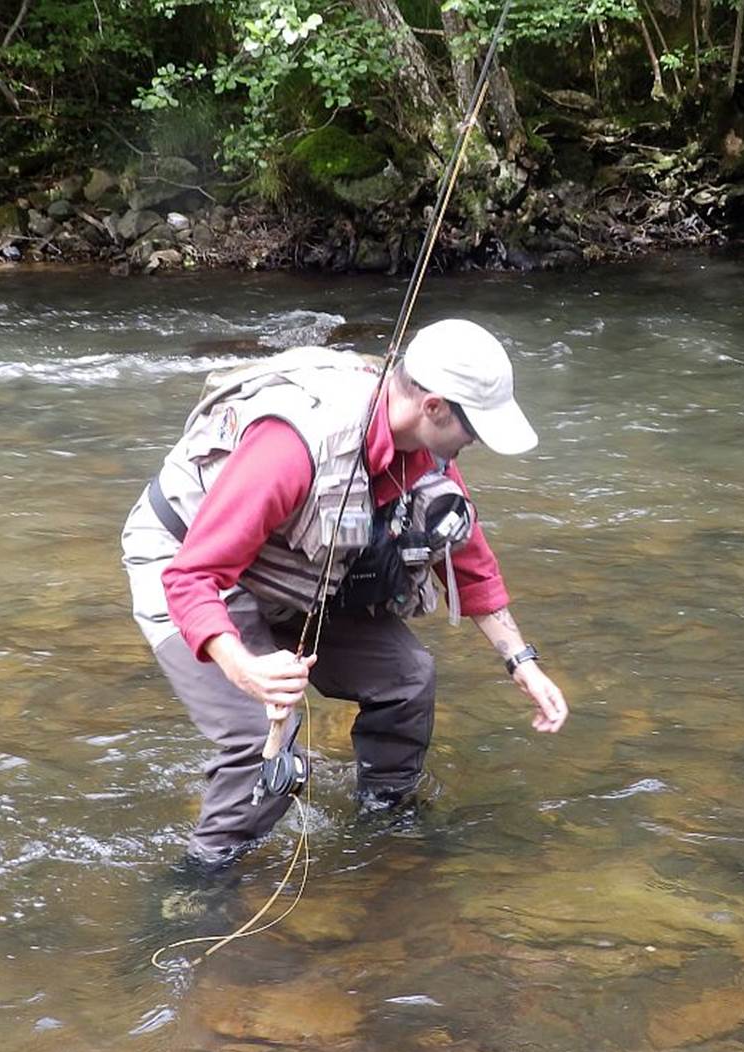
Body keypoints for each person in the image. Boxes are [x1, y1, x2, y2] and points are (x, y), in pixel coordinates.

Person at [121, 319, 568, 869]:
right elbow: (191, 576)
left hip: (291, 569)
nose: (475, 441)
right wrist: (244, 668)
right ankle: (202, 879)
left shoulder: (426, 451)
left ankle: (385, 823)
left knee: (407, 679)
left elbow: (467, 556)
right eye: (473, 426)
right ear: (433, 407)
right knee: (260, 737)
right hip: (186, 559)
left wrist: (521, 662)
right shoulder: (293, 448)